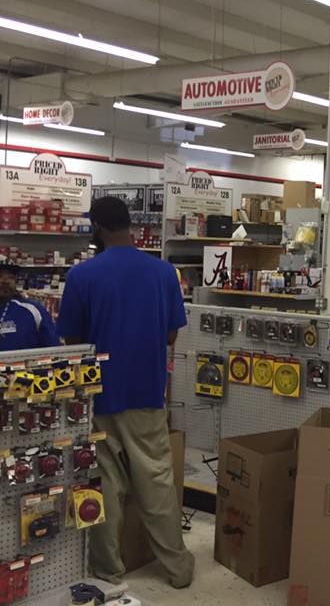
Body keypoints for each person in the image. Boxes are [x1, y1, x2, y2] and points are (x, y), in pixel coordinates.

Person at [57, 197, 193, 588]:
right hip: (147, 394)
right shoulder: (165, 272)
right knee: (158, 484)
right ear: (130, 226)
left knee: (104, 488)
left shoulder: (82, 276)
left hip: (98, 399)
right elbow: (170, 333)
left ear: (97, 228)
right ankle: (178, 570)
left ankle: (108, 571)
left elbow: (73, 339)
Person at [0, 256, 59, 351]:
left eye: (10, 277)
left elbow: (54, 351)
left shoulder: (33, 310)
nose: (5, 281)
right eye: (0, 275)